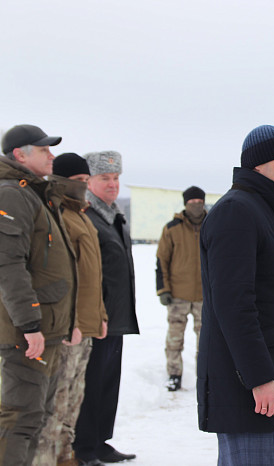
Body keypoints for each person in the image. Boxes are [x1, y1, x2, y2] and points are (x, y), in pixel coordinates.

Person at [197, 125, 274, 465]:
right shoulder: (237, 211)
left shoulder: (259, 209)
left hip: (251, 376)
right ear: (259, 163)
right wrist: (259, 378)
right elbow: (234, 305)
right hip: (242, 380)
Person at [0, 124, 77, 465]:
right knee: (20, 418)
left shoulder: (34, 193)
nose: (52, 156)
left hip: (46, 330)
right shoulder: (12, 194)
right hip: (26, 333)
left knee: (37, 416)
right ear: (20, 154)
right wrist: (30, 324)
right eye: (44, 149)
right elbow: (8, 265)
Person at [32, 154, 109, 466]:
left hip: (87, 326)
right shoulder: (57, 215)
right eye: (78, 182)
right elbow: (62, 276)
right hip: (67, 328)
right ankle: (47, 459)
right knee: (57, 404)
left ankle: (66, 456)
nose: (84, 187)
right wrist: (71, 322)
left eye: (85, 181)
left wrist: (100, 314)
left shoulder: (83, 216)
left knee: (75, 402)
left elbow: (92, 274)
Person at [74, 151, 139, 464]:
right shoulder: (87, 216)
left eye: (116, 178)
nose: (113, 184)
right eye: (105, 178)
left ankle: (100, 441)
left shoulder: (112, 214)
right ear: (89, 180)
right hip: (95, 317)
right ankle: (83, 447)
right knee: (91, 382)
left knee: (108, 382)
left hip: (116, 315)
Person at [156, 185, 206, 392]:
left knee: (205, 340)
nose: (196, 205)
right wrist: (163, 289)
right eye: (191, 202)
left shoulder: (212, 225)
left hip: (205, 296)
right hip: (178, 295)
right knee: (175, 338)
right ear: (185, 204)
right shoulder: (172, 228)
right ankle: (174, 374)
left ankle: (206, 374)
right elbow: (161, 261)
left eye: (199, 202)